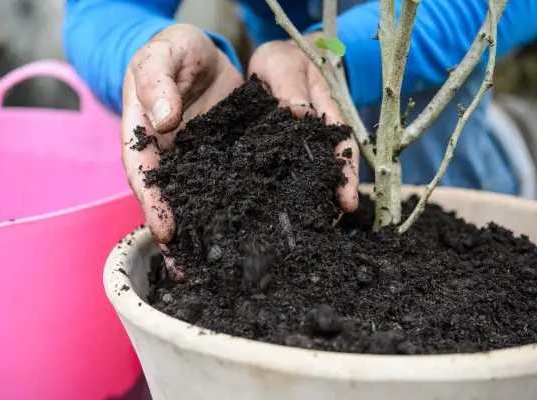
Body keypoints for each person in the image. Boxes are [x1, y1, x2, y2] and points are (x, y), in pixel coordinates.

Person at [63, 0, 537, 248]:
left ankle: (506, 147)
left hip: (425, 75)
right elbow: (99, 8)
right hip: (287, 80)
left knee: (436, 182)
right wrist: (149, 49)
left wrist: (340, 52)